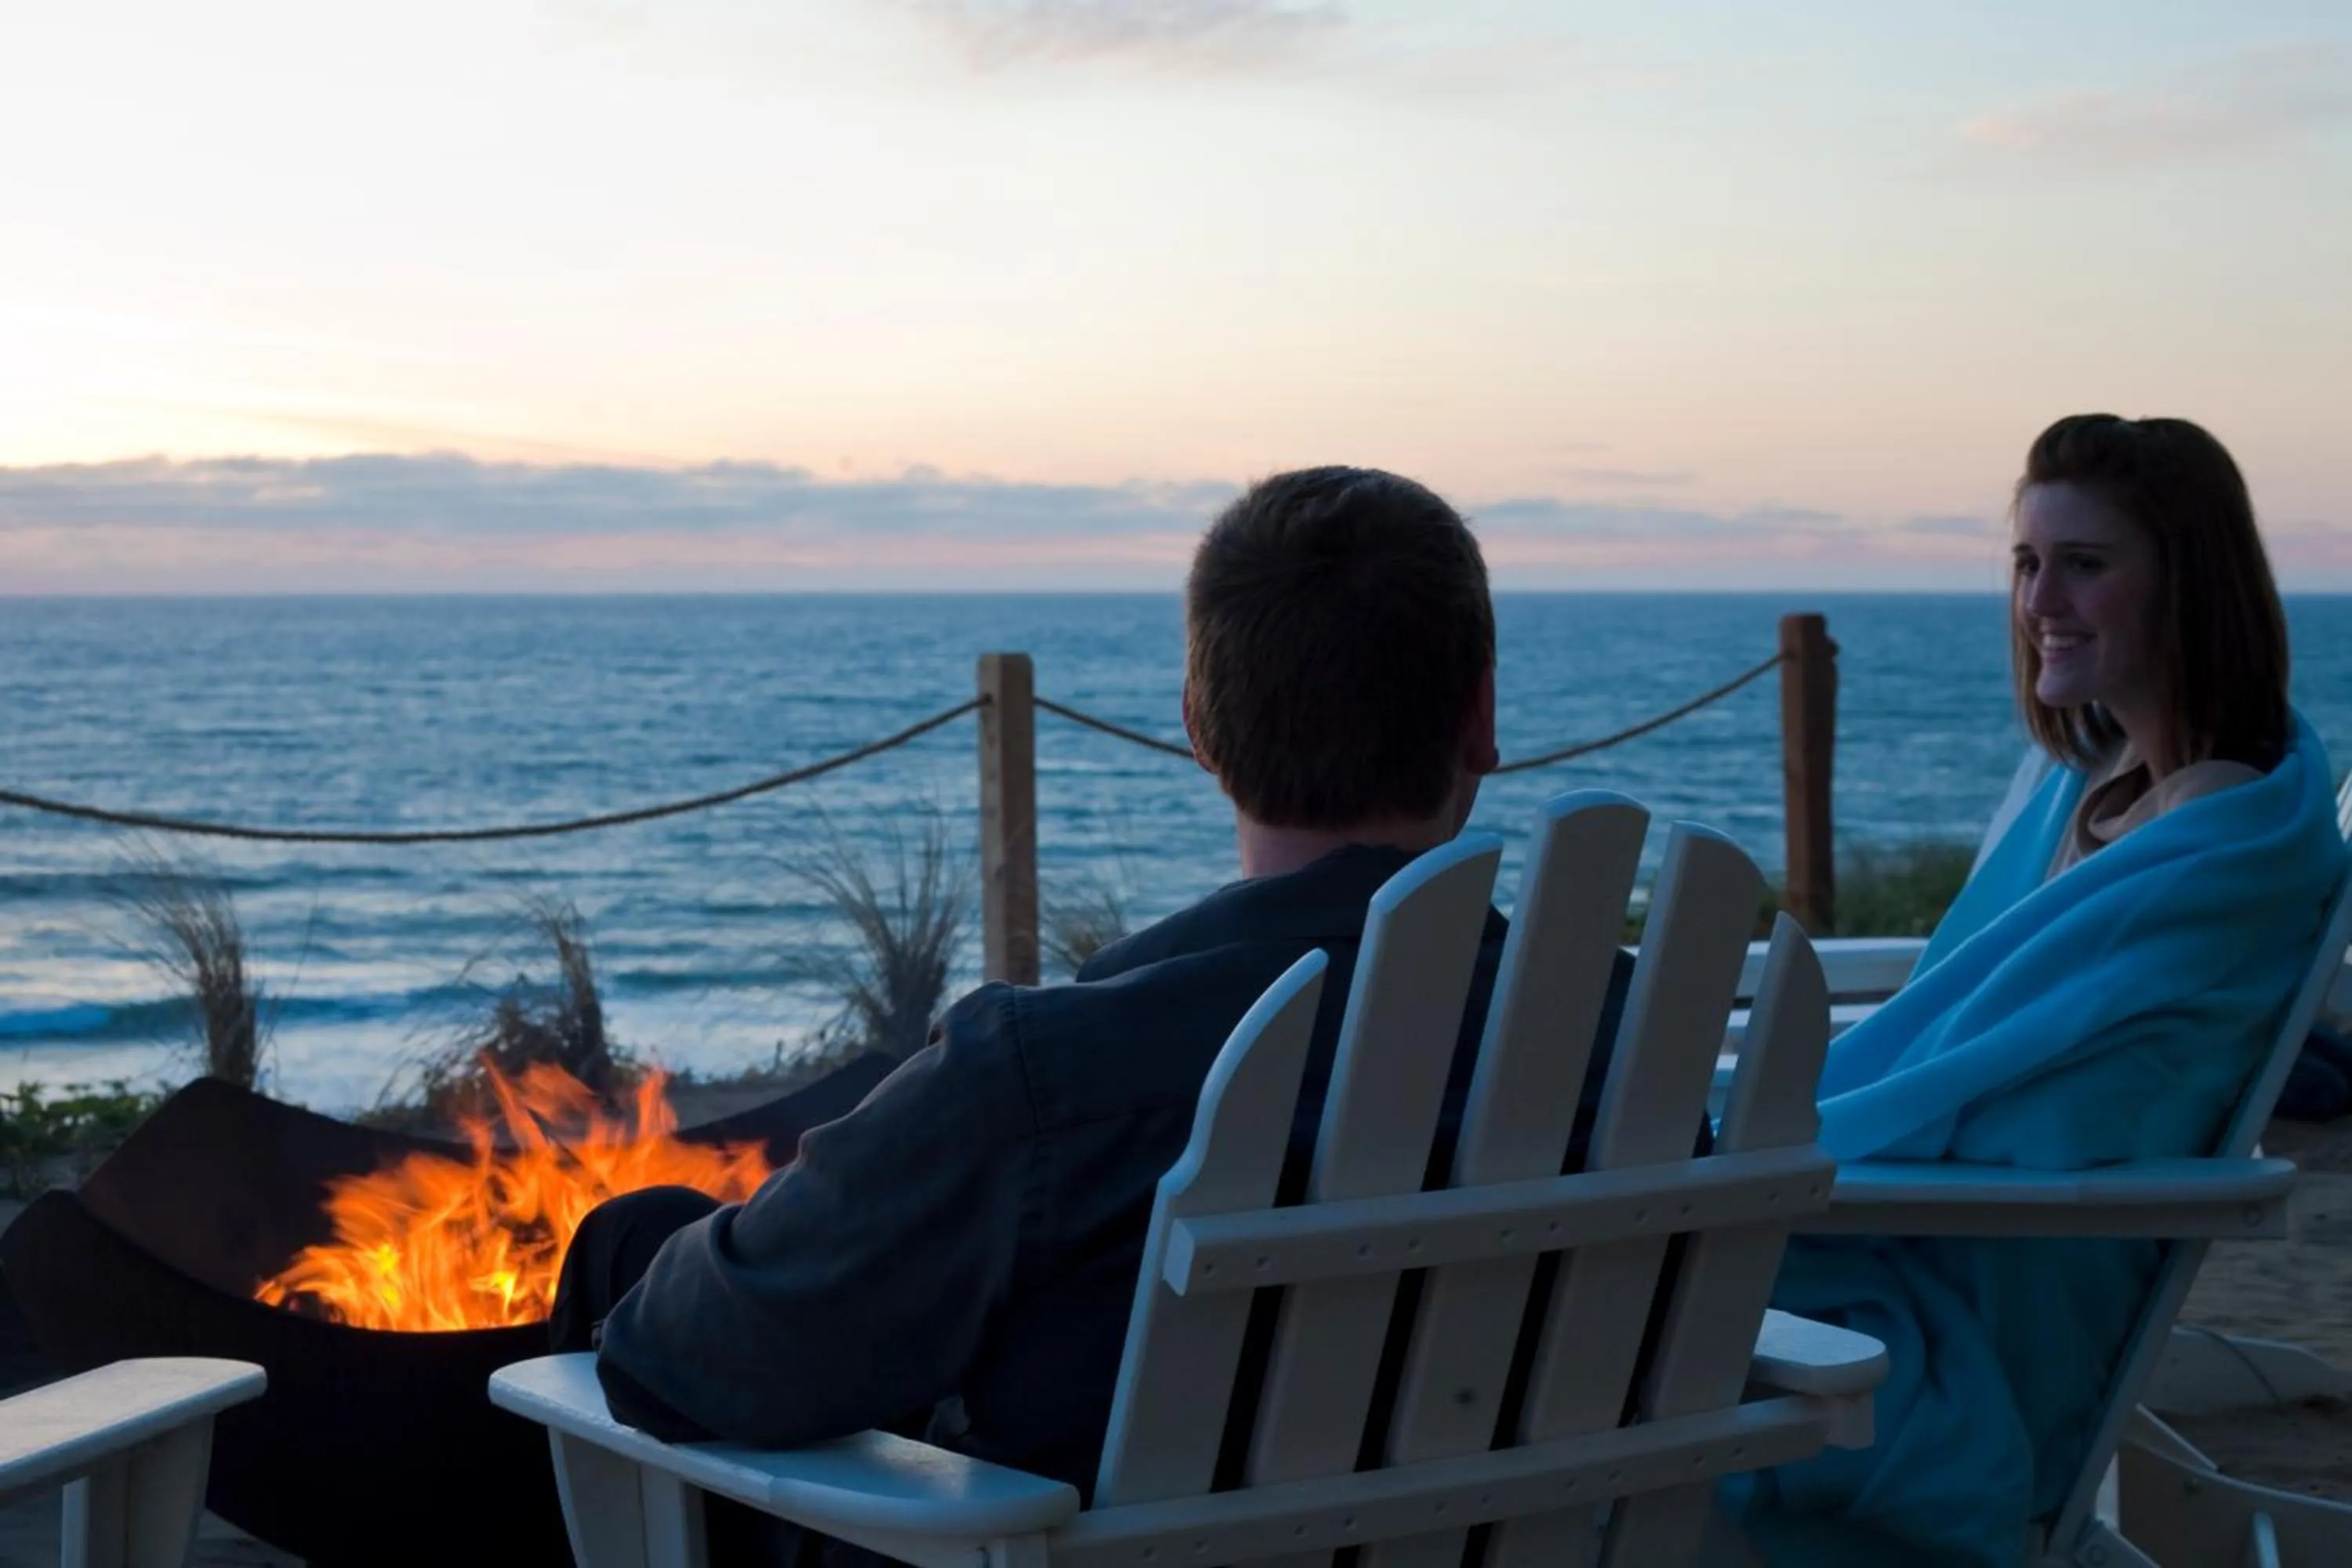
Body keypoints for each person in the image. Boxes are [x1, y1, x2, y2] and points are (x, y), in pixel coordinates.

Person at [550, 466, 1657, 1563]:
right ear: (1481, 718)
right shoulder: (1628, 1040)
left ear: (1199, 727)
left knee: (628, 1247)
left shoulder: (1048, 1080)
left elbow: (671, 1359)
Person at [1722, 415, 2348, 1567]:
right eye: (2026, 563)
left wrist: (1761, 1150)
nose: (2040, 600)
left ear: (2190, 585)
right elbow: (1970, 1023)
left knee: (1612, 1317)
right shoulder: (2097, 782)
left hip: (1987, 1295)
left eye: (2086, 564)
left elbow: (2048, 1107)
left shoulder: (2217, 839)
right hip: (1926, 1228)